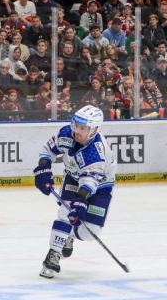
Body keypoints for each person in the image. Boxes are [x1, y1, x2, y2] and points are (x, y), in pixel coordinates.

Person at [33, 105, 117, 278]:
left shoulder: (96, 152)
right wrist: (43, 168)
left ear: (94, 130)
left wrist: (81, 200)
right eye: (76, 125)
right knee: (65, 214)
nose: (76, 131)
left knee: (89, 233)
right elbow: (48, 149)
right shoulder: (66, 133)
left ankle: (69, 235)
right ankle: (53, 254)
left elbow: (90, 181)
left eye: (82, 128)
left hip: (101, 185)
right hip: (73, 177)